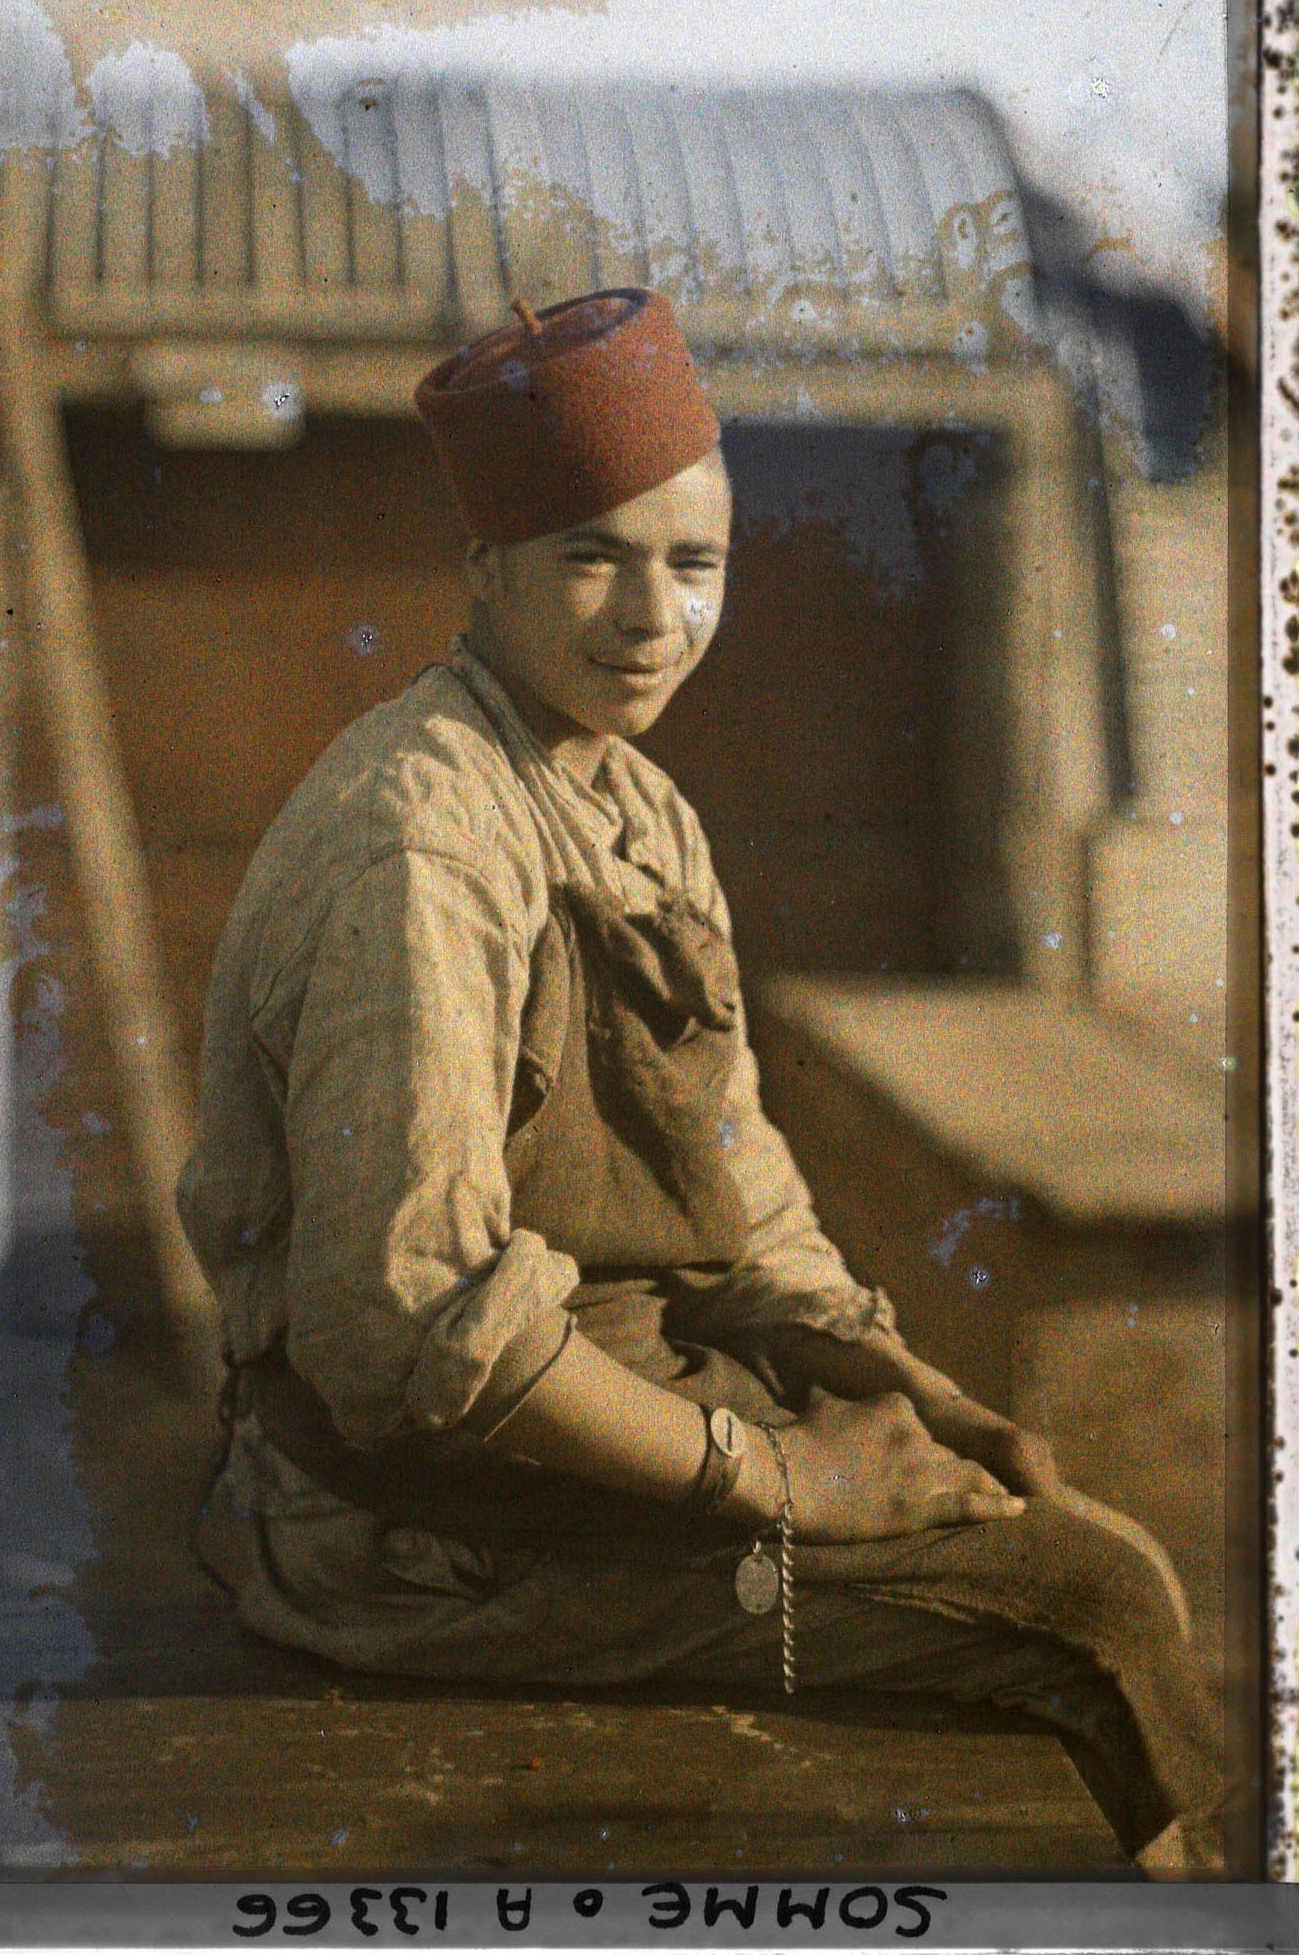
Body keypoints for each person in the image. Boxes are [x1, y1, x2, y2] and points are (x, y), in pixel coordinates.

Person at [177, 288, 1225, 1874]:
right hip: (419, 1531)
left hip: (600, 1427)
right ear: (486, 573)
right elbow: (401, 1323)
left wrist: (872, 1366)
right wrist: (785, 1476)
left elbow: (740, 1168)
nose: (651, 618)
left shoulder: (640, 811)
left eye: (695, 563)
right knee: (1084, 1608)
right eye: (592, 557)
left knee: (1063, 1532)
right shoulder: (426, 838)